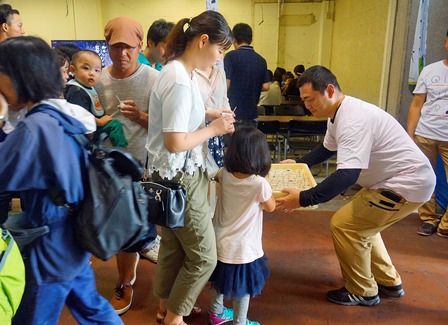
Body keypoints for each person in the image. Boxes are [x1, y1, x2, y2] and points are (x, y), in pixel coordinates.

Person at [277, 65, 435, 306]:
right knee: (362, 226)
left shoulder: (352, 119)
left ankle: (363, 290)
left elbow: (347, 175)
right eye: (304, 100)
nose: (307, 106)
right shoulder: (338, 114)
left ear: (329, 90)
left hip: (406, 183)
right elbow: (327, 149)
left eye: (310, 99)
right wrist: (299, 163)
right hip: (397, 181)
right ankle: (389, 282)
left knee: (346, 225)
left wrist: (303, 198)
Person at [0, 36, 122, 325]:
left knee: (33, 318)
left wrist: (2, 113)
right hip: (73, 232)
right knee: (91, 306)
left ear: (18, 77)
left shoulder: (34, 127)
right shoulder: (57, 113)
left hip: (52, 242)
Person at [146, 11, 234, 325]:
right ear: (203, 40)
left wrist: (209, 113)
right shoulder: (181, 81)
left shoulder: (174, 71)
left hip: (167, 176)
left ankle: (164, 308)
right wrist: (216, 128)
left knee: (172, 247)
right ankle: (174, 318)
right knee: (204, 257)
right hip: (181, 177)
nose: (219, 57)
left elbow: (178, 121)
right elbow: (175, 141)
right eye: (220, 49)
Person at [95, 16, 160, 315]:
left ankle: (125, 282)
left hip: (143, 167)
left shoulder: (153, 79)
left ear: (140, 46)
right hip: (106, 167)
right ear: (107, 46)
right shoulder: (97, 79)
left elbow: (169, 127)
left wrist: (141, 118)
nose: (122, 54)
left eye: (129, 47)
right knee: (112, 227)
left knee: (131, 230)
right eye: (115, 46)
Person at [208, 126, 275, 325]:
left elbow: (216, 176)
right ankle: (240, 321)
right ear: (260, 153)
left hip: (219, 241)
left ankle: (216, 314)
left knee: (219, 283)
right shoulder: (259, 184)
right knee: (242, 288)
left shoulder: (224, 174)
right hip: (243, 248)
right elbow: (270, 207)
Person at [406, 29, 448, 237]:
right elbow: (416, 104)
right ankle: (428, 219)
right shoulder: (430, 71)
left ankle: (446, 224)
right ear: (446, 43)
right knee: (425, 178)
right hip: (426, 134)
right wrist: (410, 134)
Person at [65, 50, 128, 147]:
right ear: (73, 70)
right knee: (114, 125)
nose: (92, 73)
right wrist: (99, 122)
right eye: (86, 68)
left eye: (97, 70)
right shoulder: (77, 91)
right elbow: (79, 115)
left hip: (91, 128)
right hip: (85, 133)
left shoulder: (87, 87)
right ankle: (122, 151)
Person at [224, 23, 270, 129]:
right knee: (249, 145)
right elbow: (266, 86)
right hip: (252, 114)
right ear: (251, 39)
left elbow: (226, 85)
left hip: (234, 113)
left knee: (233, 145)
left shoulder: (230, 57)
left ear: (233, 38)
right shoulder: (261, 60)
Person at [195, 62, 230, 168]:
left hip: (216, 130)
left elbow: (224, 99)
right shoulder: (191, 71)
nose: (220, 56)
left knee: (215, 172)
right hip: (197, 129)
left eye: (222, 51)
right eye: (219, 50)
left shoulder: (220, 72)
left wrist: (228, 116)